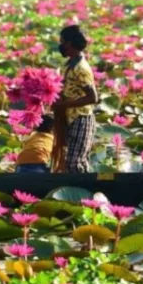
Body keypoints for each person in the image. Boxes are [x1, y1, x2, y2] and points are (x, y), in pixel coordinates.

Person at [52, 25, 98, 173]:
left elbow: (92, 97)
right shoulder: (67, 65)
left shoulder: (81, 68)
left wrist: (64, 104)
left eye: (62, 41)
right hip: (68, 118)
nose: (60, 45)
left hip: (81, 118)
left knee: (74, 163)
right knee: (68, 162)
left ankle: (80, 194)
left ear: (69, 44)